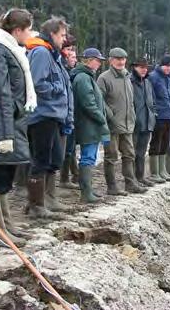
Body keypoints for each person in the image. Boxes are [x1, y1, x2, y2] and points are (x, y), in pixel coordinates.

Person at [0, 8, 37, 245]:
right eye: (29, 28)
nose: (30, 33)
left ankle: (7, 226)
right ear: (18, 30)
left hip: (11, 123)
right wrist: (5, 135)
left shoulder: (12, 51)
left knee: (6, 175)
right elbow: (1, 96)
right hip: (0, 127)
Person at [25, 16, 73, 219]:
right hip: (42, 115)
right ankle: (36, 206)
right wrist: (57, 89)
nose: (64, 39)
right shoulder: (42, 53)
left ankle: (43, 201)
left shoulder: (52, 55)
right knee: (41, 160)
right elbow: (37, 83)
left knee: (54, 159)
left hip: (52, 115)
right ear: (52, 33)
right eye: (62, 35)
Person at [97, 48, 147, 195]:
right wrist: (110, 115)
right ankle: (112, 187)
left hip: (127, 124)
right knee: (111, 156)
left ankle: (130, 184)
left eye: (123, 59)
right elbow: (100, 100)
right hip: (112, 125)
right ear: (111, 60)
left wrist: (132, 116)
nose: (121, 62)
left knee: (129, 154)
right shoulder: (104, 78)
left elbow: (130, 101)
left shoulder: (127, 77)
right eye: (117, 59)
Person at [70, 48, 110, 202]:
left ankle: (88, 191)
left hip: (91, 124)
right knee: (87, 158)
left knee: (90, 157)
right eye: (97, 60)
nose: (99, 63)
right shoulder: (83, 78)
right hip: (88, 125)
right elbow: (89, 104)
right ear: (89, 60)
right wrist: (102, 119)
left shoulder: (87, 77)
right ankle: (86, 194)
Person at [148, 55, 170, 183]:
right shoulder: (154, 77)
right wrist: (154, 112)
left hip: (169, 116)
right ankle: (155, 172)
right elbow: (150, 96)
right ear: (161, 65)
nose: (168, 68)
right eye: (166, 66)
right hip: (159, 116)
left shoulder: (169, 79)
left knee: (165, 143)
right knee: (156, 143)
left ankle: (162, 170)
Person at [130, 57, 157, 187]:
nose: (144, 70)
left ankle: (140, 177)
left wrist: (153, 114)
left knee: (141, 153)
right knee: (131, 153)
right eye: (141, 67)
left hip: (147, 123)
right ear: (134, 67)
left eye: (145, 68)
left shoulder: (148, 83)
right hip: (134, 123)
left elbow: (153, 102)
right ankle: (131, 179)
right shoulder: (129, 82)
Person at [59, 42, 80, 189]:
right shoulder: (66, 73)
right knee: (67, 149)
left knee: (71, 148)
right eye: (72, 56)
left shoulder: (71, 73)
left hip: (71, 115)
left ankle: (75, 175)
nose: (75, 59)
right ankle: (64, 179)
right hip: (64, 115)